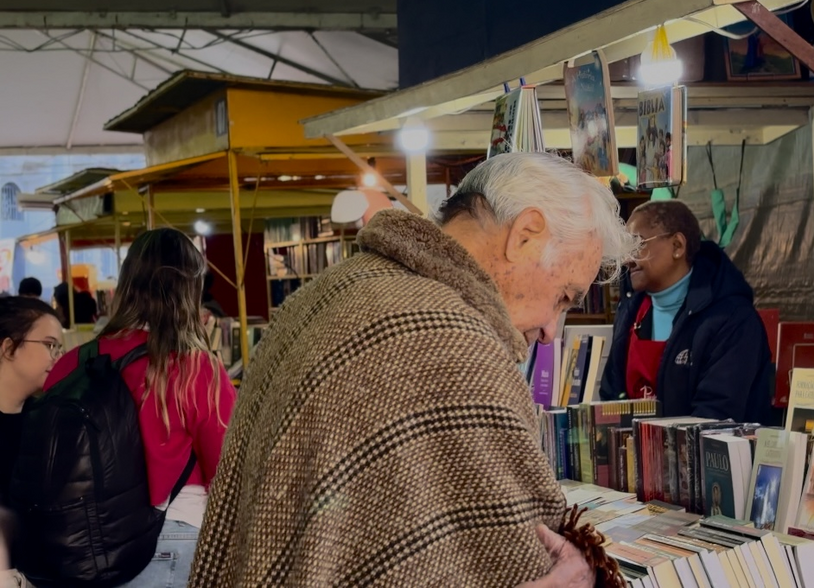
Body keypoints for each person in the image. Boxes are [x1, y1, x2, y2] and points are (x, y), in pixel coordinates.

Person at [189, 152, 637, 587]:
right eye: (564, 297)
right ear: (525, 234)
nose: (549, 331)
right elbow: (520, 556)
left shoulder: (329, 291)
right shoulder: (454, 341)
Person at [42, 228, 236, 587]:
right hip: (168, 537)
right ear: (189, 290)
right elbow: (226, 469)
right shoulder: (194, 366)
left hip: (78, 544)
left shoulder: (72, 363)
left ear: (128, 281)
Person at [599, 200, 774, 424]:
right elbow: (611, 396)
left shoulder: (734, 321)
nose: (627, 260)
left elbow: (716, 416)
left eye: (637, 244)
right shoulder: (630, 311)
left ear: (677, 246)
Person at [0, 297, 63, 588]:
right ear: (8, 347)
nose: (57, 357)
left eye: (59, 348)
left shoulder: (47, 420)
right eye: (50, 345)